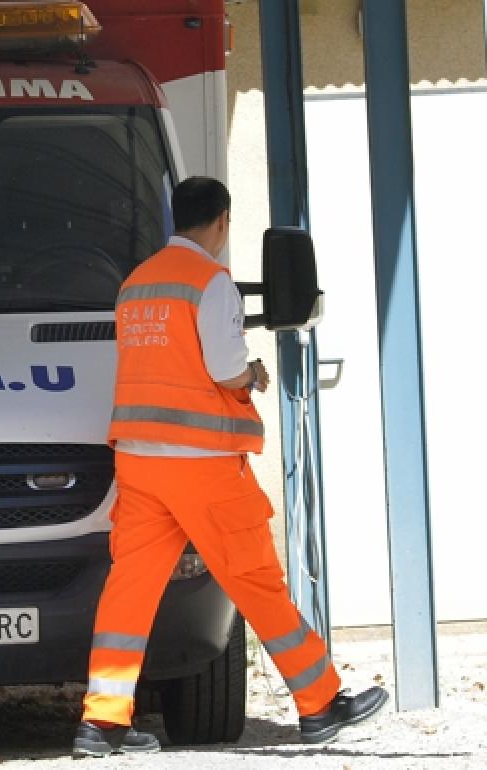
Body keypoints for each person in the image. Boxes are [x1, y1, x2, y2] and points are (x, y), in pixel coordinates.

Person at [71, 177, 388, 758]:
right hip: (203, 464)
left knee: (130, 591)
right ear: (222, 221)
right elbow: (222, 367)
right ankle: (319, 702)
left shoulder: (136, 284)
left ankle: (102, 723)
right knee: (255, 581)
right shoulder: (210, 283)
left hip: (140, 462)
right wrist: (254, 376)